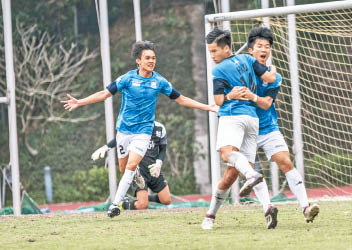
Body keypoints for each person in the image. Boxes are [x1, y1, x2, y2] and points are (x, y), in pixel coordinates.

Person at [62, 40, 217, 218]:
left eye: (153, 58)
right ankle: (135, 176)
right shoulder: (127, 78)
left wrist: (207, 107)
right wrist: (80, 102)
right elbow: (104, 93)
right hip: (124, 130)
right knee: (123, 168)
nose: (151, 61)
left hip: (143, 132)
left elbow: (181, 99)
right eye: (147, 58)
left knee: (131, 164)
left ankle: (115, 205)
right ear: (138, 60)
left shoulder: (159, 81)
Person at [228, 27, 320, 223]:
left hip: (268, 128)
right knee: (251, 173)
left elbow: (266, 103)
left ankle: (305, 207)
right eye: (259, 46)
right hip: (246, 130)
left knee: (285, 161)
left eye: (267, 46)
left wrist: (251, 95)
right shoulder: (239, 71)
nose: (264, 49)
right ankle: (268, 209)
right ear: (250, 51)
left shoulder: (274, 76)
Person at [201, 27, 278, 230]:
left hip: (232, 116)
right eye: (210, 52)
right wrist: (273, 72)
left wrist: (229, 96)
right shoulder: (247, 59)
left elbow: (218, 100)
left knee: (227, 155)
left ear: (226, 48)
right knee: (231, 175)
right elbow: (269, 78)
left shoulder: (218, 70)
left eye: (214, 51)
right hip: (252, 119)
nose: (212, 55)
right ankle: (267, 207)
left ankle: (251, 176)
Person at [91, 121, 171, 209]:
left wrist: (158, 164)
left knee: (166, 200)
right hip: (139, 172)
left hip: (153, 170)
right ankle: (125, 205)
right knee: (142, 205)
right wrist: (106, 147)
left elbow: (163, 149)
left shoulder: (160, 128)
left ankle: (142, 198)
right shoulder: (135, 126)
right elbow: (120, 139)